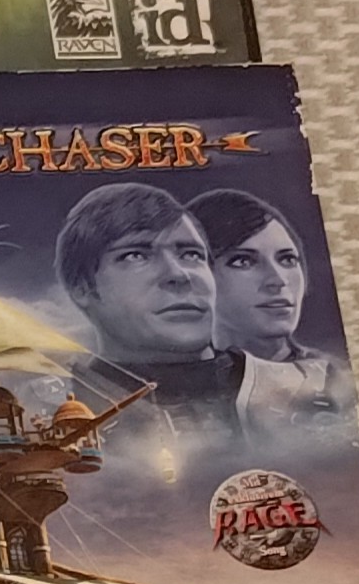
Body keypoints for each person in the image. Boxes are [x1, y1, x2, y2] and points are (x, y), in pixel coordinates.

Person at [51, 179, 241, 430]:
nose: (179, 274)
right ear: (82, 288)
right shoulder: (54, 408)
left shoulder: (279, 389)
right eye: (135, 255)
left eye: (191, 254)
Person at [190, 186, 353, 433]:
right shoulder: (165, 390)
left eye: (287, 259)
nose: (278, 280)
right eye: (243, 261)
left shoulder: (340, 381)